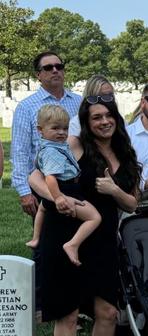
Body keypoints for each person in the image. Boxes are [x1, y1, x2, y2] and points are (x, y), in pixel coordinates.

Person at [29, 95, 140, 336]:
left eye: (108, 115)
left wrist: (114, 189)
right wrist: (57, 200)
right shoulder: (75, 145)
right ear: (87, 123)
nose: (104, 121)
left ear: (115, 118)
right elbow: (34, 177)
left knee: (107, 310)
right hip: (65, 233)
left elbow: (132, 203)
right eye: (96, 117)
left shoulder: (126, 155)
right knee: (67, 310)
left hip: (102, 238)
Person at [26, 105, 101, 267]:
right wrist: (59, 197)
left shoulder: (52, 146)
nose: (61, 132)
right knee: (94, 217)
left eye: (65, 128)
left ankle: (36, 237)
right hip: (66, 189)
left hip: (60, 188)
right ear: (40, 130)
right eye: (55, 128)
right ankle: (72, 244)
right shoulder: (52, 152)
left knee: (43, 208)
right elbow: (51, 178)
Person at [11, 51, 82, 217]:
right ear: (39, 75)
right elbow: (20, 151)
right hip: (44, 183)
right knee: (49, 237)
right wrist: (24, 192)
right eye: (49, 67)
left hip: (76, 181)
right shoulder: (26, 107)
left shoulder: (79, 102)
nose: (55, 70)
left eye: (59, 66)